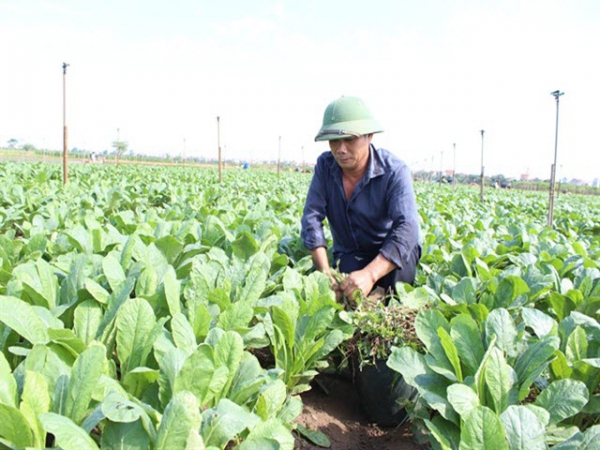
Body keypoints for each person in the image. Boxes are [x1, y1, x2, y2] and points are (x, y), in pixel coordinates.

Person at [301, 96, 421, 301]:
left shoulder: (394, 171)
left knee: (401, 272)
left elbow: (408, 228)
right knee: (346, 288)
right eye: (334, 141)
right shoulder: (325, 167)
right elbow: (311, 218)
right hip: (352, 254)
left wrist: (370, 274)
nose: (341, 149)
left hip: (390, 255)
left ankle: (384, 295)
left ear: (369, 136)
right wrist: (325, 273)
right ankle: (370, 296)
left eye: (350, 139)